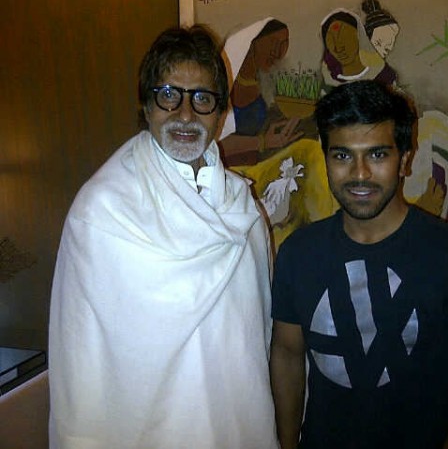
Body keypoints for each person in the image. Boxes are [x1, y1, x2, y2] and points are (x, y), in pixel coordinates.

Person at [48, 25, 278, 449]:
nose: (185, 115)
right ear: (146, 104)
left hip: (235, 427)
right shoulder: (101, 212)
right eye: (169, 94)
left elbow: (255, 339)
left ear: (221, 111)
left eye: (202, 98)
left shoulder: (243, 210)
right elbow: (79, 362)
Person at [269, 80, 448, 449]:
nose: (359, 174)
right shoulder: (298, 254)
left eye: (377, 155)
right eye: (342, 156)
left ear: (404, 160)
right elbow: (287, 354)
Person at [220, 18, 303, 166]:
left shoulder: (268, 82)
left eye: (283, 44)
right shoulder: (224, 84)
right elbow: (213, 144)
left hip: (258, 166)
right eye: (273, 43)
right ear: (251, 44)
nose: (278, 52)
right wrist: (263, 142)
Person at [320, 9, 396, 91]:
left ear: (359, 36)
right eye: (331, 40)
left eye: (345, 37)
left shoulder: (383, 76)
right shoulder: (328, 80)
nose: (338, 48)